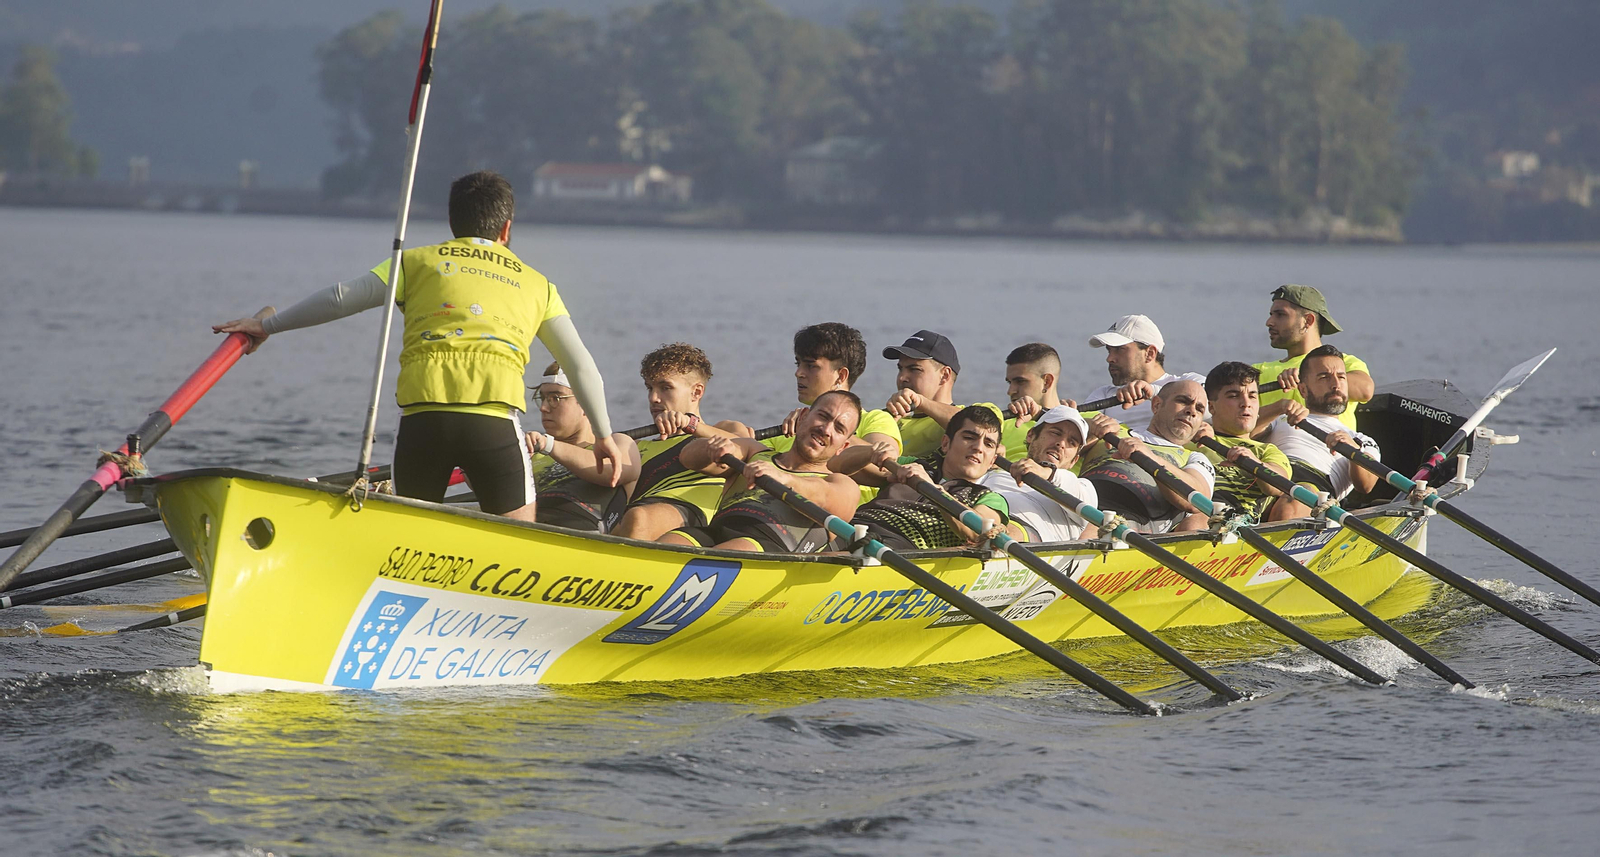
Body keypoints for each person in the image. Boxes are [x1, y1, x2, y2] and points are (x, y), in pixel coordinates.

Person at [213, 170, 621, 522]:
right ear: (506, 229)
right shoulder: (538, 284)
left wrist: (267, 325)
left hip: (423, 420)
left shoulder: (416, 262)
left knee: (409, 534)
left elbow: (340, 298)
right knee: (520, 536)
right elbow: (581, 366)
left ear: (453, 223)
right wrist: (602, 435)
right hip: (492, 421)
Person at [661, 390, 865, 552]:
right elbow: (687, 457)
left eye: (838, 428)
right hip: (714, 533)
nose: (826, 429)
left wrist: (784, 478)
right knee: (670, 544)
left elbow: (824, 496)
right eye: (823, 416)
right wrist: (710, 448)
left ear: (842, 447)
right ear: (803, 417)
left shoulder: (841, 483)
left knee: (732, 551)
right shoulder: (754, 451)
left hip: (769, 551)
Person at [611, 343, 745, 541]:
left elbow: (747, 447)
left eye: (665, 388)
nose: (654, 398)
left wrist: (691, 424)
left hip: (692, 520)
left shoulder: (725, 429)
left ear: (696, 392)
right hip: (632, 518)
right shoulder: (636, 446)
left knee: (638, 518)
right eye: (650, 388)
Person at [846, 405, 1011, 551]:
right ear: (945, 444)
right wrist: (871, 453)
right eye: (969, 438)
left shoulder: (990, 499)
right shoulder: (911, 465)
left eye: (988, 444)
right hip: (852, 527)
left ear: (992, 461)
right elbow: (837, 465)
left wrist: (933, 489)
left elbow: (979, 531)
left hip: (900, 545)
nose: (978, 448)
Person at [1255, 344, 1381, 516]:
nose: (1335, 384)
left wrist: (1353, 451)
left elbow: (1366, 485)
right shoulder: (1280, 419)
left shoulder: (1360, 440)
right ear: (1303, 389)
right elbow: (1244, 431)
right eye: (1324, 377)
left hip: (1313, 484)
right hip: (1266, 471)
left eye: (1341, 377)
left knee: (1292, 502)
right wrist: (1279, 406)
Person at [1077, 379, 1216, 533]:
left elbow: (1197, 501)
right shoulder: (1112, 429)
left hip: (1129, 521)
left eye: (1200, 409)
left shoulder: (1195, 458)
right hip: (1078, 500)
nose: (1192, 411)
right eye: (1183, 401)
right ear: (1156, 405)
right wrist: (1087, 430)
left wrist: (1150, 458)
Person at [522, 362, 642, 532]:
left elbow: (612, 472)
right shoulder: (532, 454)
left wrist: (548, 444)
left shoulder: (620, 443)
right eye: (542, 398)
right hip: (529, 530)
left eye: (555, 398)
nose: (543, 408)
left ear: (587, 403)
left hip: (584, 538)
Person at [769, 322, 902, 458]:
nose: (799, 373)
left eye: (810, 366)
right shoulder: (787, 430)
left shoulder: (876, 420)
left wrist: (818, 430)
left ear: (841, 375)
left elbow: (884, 466)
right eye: (798, 364)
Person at [1256, 284, 1373, 430]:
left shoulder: (1345, 363)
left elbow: (1365, 390)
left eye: (1280, 315)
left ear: (1308, 321)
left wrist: (1305, 375)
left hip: (1331, 450)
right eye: (1271, 315)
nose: (1269, 322)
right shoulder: (1257, 371)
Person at [977, 405, 1099, 543]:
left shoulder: (1082, 487)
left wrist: (1046, 472)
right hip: (979, 521)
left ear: (1074, 461)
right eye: (1056, 433)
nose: (1061, 444)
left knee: (1004, 529)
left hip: (1023, 540)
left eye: (1072, 442)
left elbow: (1081, 501)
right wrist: (985, 453)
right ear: (1031, 435)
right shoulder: (993, 472)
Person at [881, 329, 1003, 459]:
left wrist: (921, 402)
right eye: (900, 369)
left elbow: (977, 428)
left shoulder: (983, 411)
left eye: (914, 369)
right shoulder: (885, 419)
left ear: (945, 375)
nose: (902, 377)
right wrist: (886, 420)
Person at [1198, 362, 1293, 519]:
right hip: (1195, 514)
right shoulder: (1191, 441)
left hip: (1239, 524)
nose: (1246, 403)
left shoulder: (1266, 451)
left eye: (1252, 396)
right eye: (1234, 396)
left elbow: (1278, 486)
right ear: (1211, 407)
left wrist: (1253, 463)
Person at [1080, 314, 1204, 428]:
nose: (1109, 358)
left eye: (1119, 350)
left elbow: (1215, 410)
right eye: (1109, 351)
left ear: (1149, 354)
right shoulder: (1104, 394)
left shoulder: (1191, 382)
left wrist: (1153, 392)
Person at [999, 342, 1065, 461]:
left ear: (1047, 382)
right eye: (1009, 383)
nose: (1010, 391)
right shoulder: (1001, 424)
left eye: (1020, 382)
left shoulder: (1082, 424)